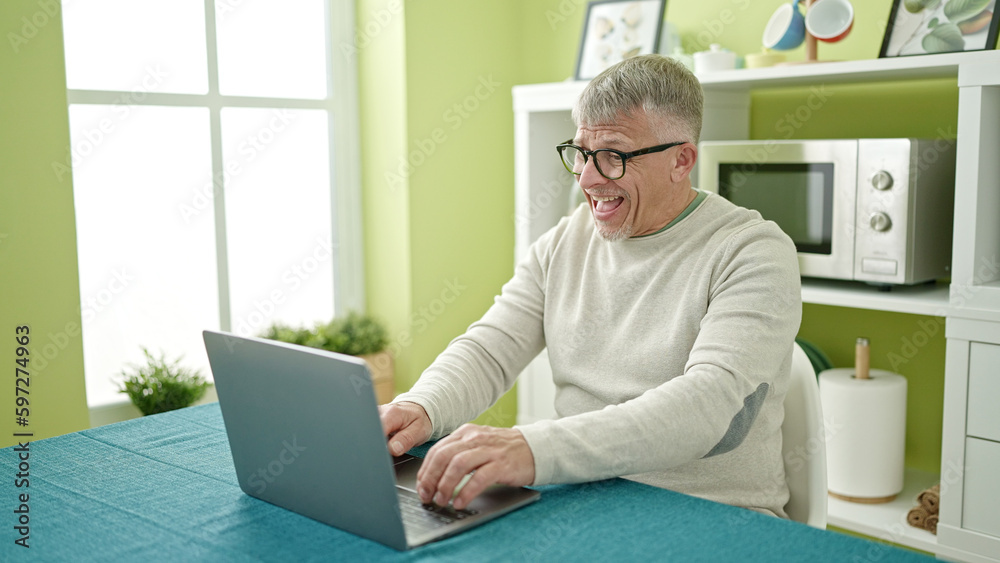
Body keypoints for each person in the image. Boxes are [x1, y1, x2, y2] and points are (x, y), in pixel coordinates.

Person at [379, 54, 802, 517]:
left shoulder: (753, 252)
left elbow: (706, 405)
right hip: (584, 499)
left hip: (714, 513)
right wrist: (422, 407)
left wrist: (531, 448)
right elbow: (490, 347)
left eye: (613, 157)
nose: (587, 177)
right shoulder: (565, 240)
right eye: (581, 153)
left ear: (682, 160)